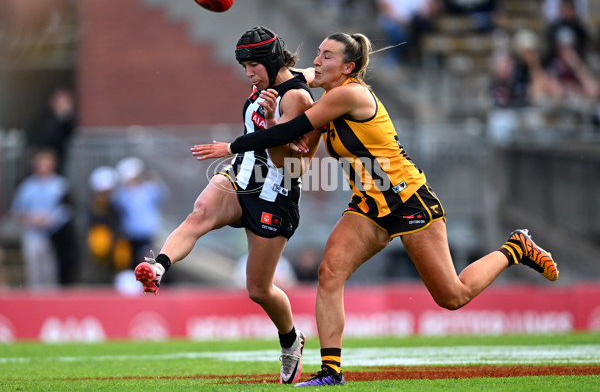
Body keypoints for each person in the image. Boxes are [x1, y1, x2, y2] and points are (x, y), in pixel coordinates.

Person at [191, 32, 560, 387]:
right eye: (318, 53)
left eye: (326, 56)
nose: (316, 61)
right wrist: (272, 75)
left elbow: (291, 132)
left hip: (406, 198)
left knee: (452, 296)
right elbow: (296, 82)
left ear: (348, 68)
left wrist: (233, 146)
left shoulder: (347, 95)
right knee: (330, 271)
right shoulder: (330, 85)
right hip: (368, 205)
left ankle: (515, 248)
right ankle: (331, 372)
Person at [134, 26, 321, 384]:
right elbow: (304, 74)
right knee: (199, 213)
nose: (248, 74)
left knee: (258, 289)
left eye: (253, 65)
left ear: (270, 59)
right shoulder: (277, 82)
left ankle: (290, 339)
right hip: (241, 179)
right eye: (245, 66)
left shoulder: (296, 98)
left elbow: (288, 165)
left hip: (275, 194)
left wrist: (256, 128)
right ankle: (159, 267)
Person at [10, 148, 79, 288]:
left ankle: (52, 301)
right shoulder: (28, 186)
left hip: (56, 234)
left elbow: (68, 208)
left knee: (52, 269)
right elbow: (16, 211)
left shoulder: (60, 185)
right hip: (33, 233)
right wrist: (32, 218)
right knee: (35, 268)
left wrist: (52, 219)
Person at [373, 0, 437, 66]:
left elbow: (432, 6)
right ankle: (393, 59)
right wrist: (402, 21)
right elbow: (384, 7)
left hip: (417, 22)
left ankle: (426, 62)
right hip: (394, 21)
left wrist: (425, 15)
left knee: (426, 30)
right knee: (395, 31)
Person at [112, 156, 169, 269]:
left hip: (149, 233)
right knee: (134, 262)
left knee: (152, 262)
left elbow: (162, 193)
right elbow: (117, 202)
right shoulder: (124, 194)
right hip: (132, 234)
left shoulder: (148, 189)